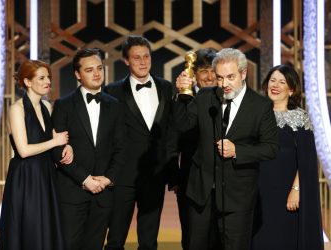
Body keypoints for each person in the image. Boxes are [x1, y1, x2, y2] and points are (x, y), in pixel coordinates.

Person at [173, 48, 279, 250]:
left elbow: (271, 148)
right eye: (220, 78)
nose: (224, 84)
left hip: (237, 197)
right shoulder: (205, 96)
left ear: (243, 73)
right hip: (201, 194)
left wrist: (237, 150)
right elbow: (181, 126)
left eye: (230, 77)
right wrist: (182, 96)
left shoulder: (260, 106)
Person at [104, 35, 175, 250]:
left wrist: (171, 170)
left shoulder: (167, 88)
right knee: (115, 239)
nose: (143, 62)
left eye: (146, 56)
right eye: (137, 58)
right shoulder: (112, 91)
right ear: (126, 61)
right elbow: (107, 136)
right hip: (122, 176)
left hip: (154, 174)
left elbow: (172, 131)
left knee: (149, 241)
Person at [51, 48, 125, 250]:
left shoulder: (115, 105)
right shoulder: (63, 105)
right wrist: (85, 179)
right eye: (89, 69)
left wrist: (107, 179)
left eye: (99, 68)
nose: (97, 74)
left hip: (103, 193)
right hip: (72, 193)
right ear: (77, 74)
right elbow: (57, 150)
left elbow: (121, 148)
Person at [0, 60, 72, 250]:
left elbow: (57, 139)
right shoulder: (17, 109)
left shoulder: (47, 107)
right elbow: (23, 150)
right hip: (26, 177)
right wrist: (55, 142)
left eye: (48, 77)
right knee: (29, 230)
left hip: (46, 174)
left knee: (47, 230)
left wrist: (67, 146)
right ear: (27, 82)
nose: (48, 81)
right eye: (42, 77)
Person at [251, 64, 324, 250]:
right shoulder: (255, 114)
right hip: (256, 192)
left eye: (282, 82)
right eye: (272, 80)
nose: (275, 85)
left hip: (287, 194)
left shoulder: (300, 118)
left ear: (291, 90)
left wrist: (296, 189)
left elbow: (307, 162)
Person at [168, 48, 217, 250]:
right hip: (189, 180)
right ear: (194, 74)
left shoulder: (228, 99)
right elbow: (171, 140)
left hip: (222, 179)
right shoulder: (182, 99)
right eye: (204, 71)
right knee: (192, 236)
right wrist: (175, 177)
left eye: (213, 70)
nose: (209, 76)